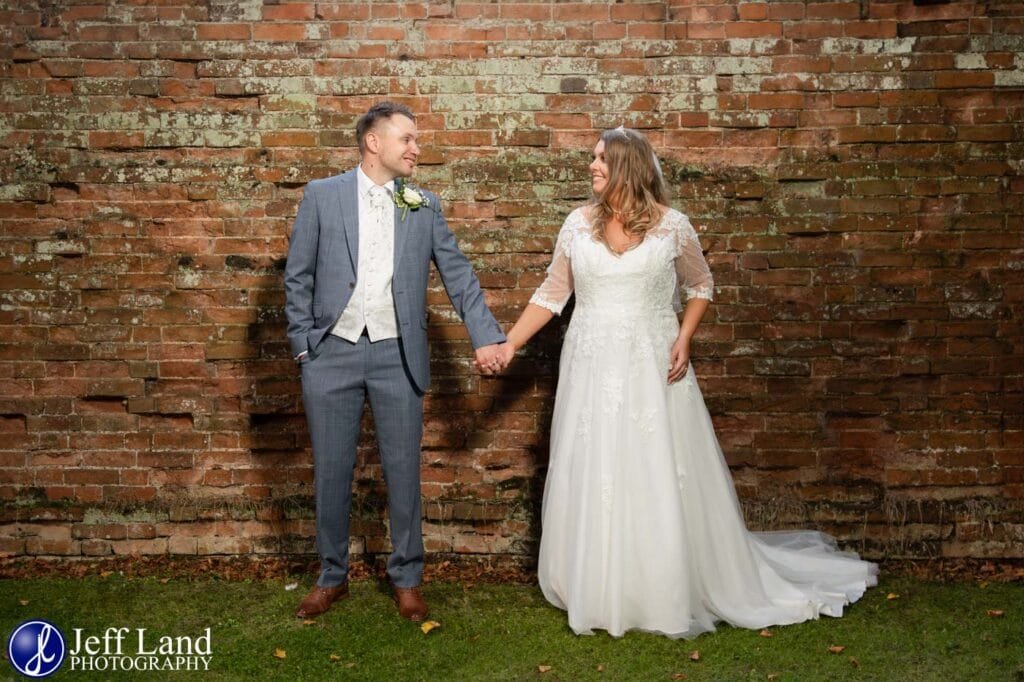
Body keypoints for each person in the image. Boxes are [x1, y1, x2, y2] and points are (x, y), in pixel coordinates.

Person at [495, 127, 878, 638]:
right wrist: (509, 344)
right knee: (598, 466)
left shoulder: (672, 226)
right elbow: (551, 294)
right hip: (591, 363)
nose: (592, 167)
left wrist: (685, 337)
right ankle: (597, 580)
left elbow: (700, 285)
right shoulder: (576, 225)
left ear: (629, 167)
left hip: (653, 360)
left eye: (601, 160)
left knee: (655, 466)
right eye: (593, 159)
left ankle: (663, 582)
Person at [284, 101, 507, 622]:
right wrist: (304, 346)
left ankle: (407, 579)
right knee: (332, 471)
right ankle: (330, 576)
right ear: (373, 142)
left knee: (404, 472)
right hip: (330, 354)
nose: (416, 148)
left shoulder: (423, 205)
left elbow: (459, 274)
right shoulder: (322, 196)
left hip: (397, 354)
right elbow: (298, 276)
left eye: (416, 140)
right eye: (407, 139)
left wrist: (486, 336)